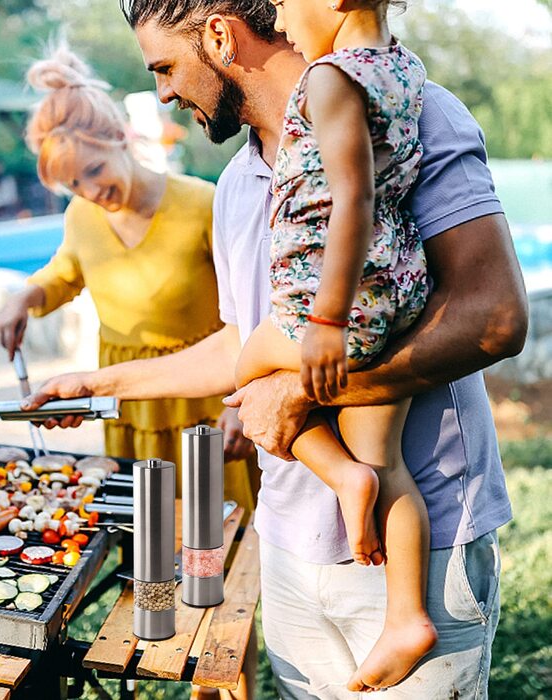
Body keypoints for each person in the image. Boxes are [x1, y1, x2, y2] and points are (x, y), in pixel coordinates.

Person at [22, 3, 528, 696]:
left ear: (222, 36)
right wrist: (98, 383)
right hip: (288, 542)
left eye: (167, 67)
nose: (164, 92)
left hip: (421, 546)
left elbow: (495, 317)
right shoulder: (233, 184)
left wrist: (304, 392)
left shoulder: (412, 114)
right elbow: (241, 343)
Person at [234, 0, 436, 690]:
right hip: (398, 284)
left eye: (287, 4)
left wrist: (323, 320)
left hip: (336, 302)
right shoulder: (406, 68)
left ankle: (340, 474)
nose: (281, 20)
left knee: (245, 373)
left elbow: (352, 196)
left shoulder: (330, 78)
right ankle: (406, 615)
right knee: (389, 461)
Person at [0, 46, 256, 513]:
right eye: (74, 185)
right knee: (145, 527)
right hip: (128, 401)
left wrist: (238, 402)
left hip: (205, 395)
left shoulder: (201, 203)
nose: (91, 192)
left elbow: (252, 312)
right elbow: (66, 271)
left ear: (119, 136)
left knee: (216, 526)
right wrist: (25, 296)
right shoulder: (83, 215)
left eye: (94, 171)